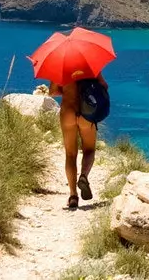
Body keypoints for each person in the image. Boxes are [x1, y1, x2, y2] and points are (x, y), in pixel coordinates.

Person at [49, 73, 107, 209]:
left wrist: (65, 89)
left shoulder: (61, 69)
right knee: (89, 150)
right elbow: (104, 85)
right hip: (86, 112)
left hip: (68, 112)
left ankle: (73, 195)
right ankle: (84, 176)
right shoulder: (90, 68)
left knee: (70, 154)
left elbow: (52, 92)